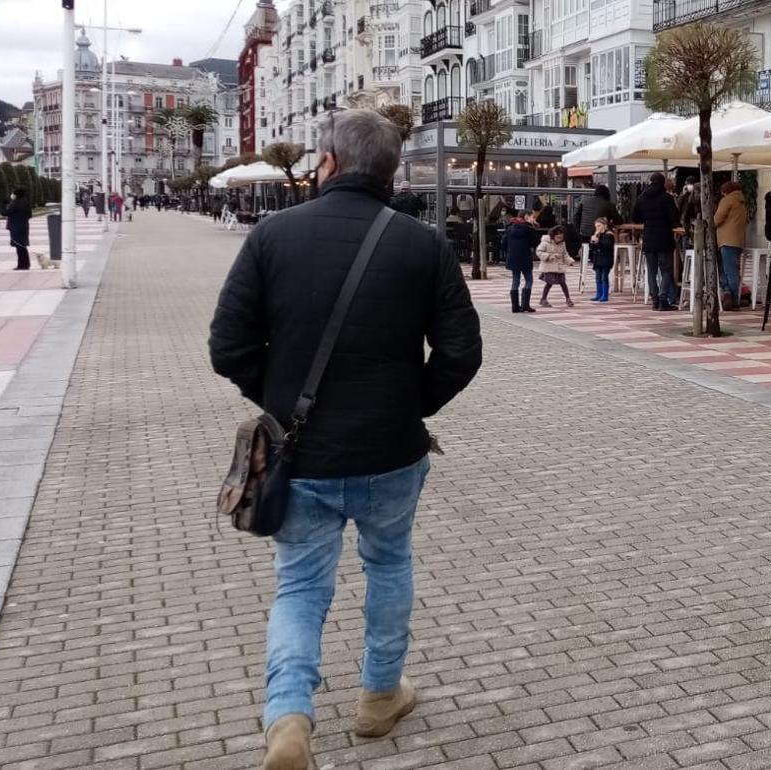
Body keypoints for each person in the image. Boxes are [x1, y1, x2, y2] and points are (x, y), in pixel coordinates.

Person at [207, 109, 482, 770]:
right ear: (388, 170)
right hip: (392, 454)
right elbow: (461, 352)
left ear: (327, 161)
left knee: (300, 589)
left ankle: (290, 718)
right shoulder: (424, 244)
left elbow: (227, 348)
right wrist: (409, 403)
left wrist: (278, 401)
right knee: (389, 565)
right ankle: (380, 696)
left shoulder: (273, 236)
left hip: (300, 457)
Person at [631, 172, 679, 311]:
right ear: (662, 183)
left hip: (648, 238)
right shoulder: (667, 198)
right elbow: (674, 216)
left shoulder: (641, 198)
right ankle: (663, 300)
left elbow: (635, 217)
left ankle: (654, 299)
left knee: (651, 271)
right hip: (664, 238)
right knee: (666, 270)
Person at [714, 180, 747, 310]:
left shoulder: (727, 200)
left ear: (726, 191)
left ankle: (731, 297)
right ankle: (730, 294)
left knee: (727, 269)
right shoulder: (742, 201)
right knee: (732, 269)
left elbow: (717, 219)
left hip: (725, 240)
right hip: (737, 241)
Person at [502, 210, 538, 313]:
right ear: (526, 217)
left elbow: (504, 243)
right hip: (525, 257)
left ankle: (515, 307)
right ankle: (525, 305)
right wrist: (533, 227)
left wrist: (510, 252)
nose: (534, 219)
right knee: (529, 280)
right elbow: (534, 243)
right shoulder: (528, 228)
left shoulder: (510, 228)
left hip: (513, 258)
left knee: (515, 280)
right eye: (533, 217)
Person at [536, 225, 576, 307]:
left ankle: (568, 299)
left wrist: (570, 261)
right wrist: (549, 256)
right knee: (549, 283)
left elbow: (565, 254)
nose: (560, 238)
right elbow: (539, 252)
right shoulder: (545, 242)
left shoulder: (562, 244)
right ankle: (543, 299)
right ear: (553, 235)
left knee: (563, 283)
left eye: (561, 236)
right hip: (549, 267)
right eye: (558, 236)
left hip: (559, 267)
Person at [4, 187, 32, 271]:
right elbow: (29, 215)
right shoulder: (26, 202)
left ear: (16, 195)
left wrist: (3, 205)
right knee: (23, 246)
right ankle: (26, 264)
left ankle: (21, 265)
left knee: (19, 247)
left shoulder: (15, 203)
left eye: (13, 193)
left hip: (16, 227)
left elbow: (6, 212)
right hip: (24, 227)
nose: (12, 195)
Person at [589, 217, 615, 302]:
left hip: (606, 260)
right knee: (598, 277)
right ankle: (598, 294)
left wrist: (598, 242)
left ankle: (605, 295)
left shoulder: (609, 235)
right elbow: (592, 247)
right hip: (598, 259)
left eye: (599, 226)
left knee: (604, 277)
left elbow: (606, 245)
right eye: (596, 226)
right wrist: (593, 241)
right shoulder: (597, 235)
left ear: (605, 225)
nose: (597, 228)